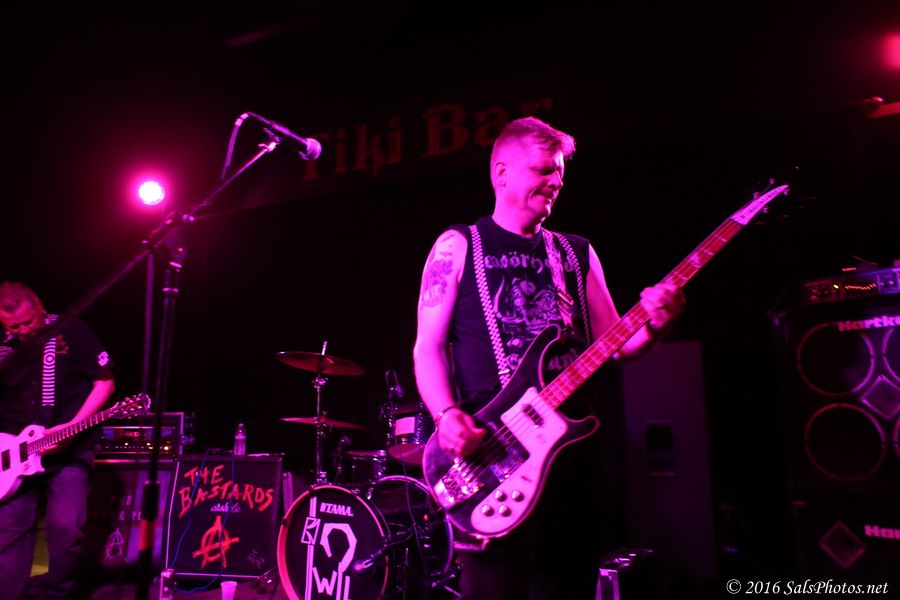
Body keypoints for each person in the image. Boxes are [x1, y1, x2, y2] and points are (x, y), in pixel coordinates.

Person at [413, 117, 684, 599]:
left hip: (572, 458)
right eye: (543, 169)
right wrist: (446, 414)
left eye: (560, 171)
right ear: (501, 173)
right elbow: (427, 348)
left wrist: (658, 323)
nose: (556, 180)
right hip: (493, 456)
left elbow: (618, 344)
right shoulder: (457, 246)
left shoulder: (576, 253)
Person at [0, 282, 115, 600]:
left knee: (66, 529)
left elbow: (105, 382)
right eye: (14, 327)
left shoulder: (72, 330)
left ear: (40, 308)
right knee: (8, 534)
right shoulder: (3, 348)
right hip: (12, 454)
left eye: (28, 321)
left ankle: (58, 594)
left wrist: (74, 427)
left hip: (69, 450)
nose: (24, 330)